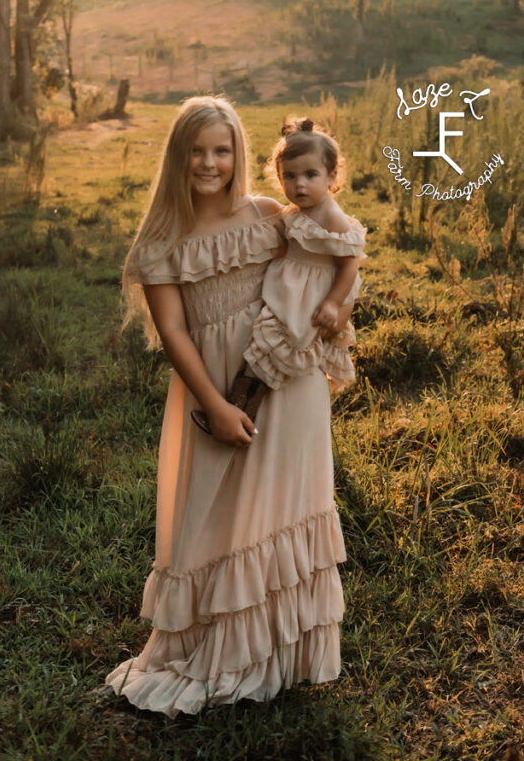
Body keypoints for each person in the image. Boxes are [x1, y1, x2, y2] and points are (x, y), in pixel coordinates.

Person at [102, 96, 349, 717]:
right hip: (217, 389)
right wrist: (213, 404)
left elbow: (337, 250)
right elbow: (175, 334)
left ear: (239, 156)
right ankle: (214, 647)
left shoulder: (270, 216)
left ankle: (281, 654)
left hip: (289, 389)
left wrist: (339, 304)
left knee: (281, 505)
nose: (210, 163)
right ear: (178, 157)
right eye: (197, 151)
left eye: (222, 150)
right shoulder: (164, 240)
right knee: (216, 516)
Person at [243, 118, 366, 395]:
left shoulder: (331, 216)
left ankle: (256, 396)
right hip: (292, 284)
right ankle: (246, 397)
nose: (300, 185)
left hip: (313, 291)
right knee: (265, 337)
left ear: (331, 176)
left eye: (311, 175)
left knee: (290, 340)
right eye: (290, 176)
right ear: (279, 177)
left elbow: (349, 267)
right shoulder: (296, 210)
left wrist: (333, 303)